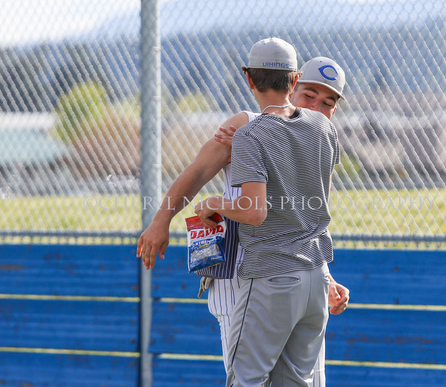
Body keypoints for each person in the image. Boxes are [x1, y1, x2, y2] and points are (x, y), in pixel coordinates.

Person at [137, 49, 348, 384]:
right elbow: (196, 173)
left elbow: (307, 218)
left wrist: (324, 275)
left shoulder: (315, 134)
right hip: (238, 273)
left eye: (327, 103)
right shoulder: (247, 124)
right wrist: (161, 220)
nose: (316, 107)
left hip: (288, 272)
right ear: (292, 85)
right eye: (310, 94)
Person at [193, 38, 341, 386]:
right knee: (297, 381)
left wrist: (213, 204)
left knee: (246, 379)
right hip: (314, 279)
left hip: (272, 276)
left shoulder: (249, 133)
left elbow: (254, 211)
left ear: (248, 79)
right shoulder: (324, 129)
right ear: (295, 80)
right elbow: (316, 208)